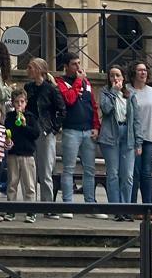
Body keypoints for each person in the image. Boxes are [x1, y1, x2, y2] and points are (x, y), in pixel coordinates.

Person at [54, 52, 98, 217]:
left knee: (89, 169)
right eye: (74, 64)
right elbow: (69, 99)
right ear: (66, 66)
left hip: (88, 130)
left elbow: (92, 104)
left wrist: (96, 126)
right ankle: (68, 205)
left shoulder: (86, 83)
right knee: (69, 169)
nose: (79, 67)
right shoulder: (60, 82)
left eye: (79, 63)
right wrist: (79, 81)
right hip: (71, 130)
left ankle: (90, 205)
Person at [96, 65, 139, 218]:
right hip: (110, 136)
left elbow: (136, 119)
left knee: (127, 175)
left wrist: (138, 142)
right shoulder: (105, 92)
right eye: (112, 75)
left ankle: (126, 208)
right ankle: (116, 209)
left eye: (118, 75)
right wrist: (114, 92)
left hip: (127, 135)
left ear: (123, 77)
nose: (115, 78)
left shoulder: (130, 94)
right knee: (113, 173)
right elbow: (106, 109)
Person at [24, 58, 64, 205]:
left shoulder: (51, 89)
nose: (28, 71)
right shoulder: (29, 87)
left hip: (45, 129)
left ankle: (47, 204)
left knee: (46, 169)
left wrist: (54, 127)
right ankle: (31, 203)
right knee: (31, 168)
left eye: (30, 68)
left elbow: (61, 109)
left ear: (39, 70)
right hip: (31, 128)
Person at [128, 62, 152, 207]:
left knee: (146, 172)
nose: (143, 73)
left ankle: (147, 205)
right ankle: (131, 206)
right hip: (131, 139)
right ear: (133, 73)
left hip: (149, 138)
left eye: (145, 70)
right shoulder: (127, 90)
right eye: (139, 70)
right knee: (134, 172)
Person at [6, 88, 39, 222]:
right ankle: (11, 210)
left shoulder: (31, 117)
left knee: (29, 185)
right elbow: (8, 131)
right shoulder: (9, 117)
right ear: (13, 104)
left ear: (26, 103)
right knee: (12, 183)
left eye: (22, 102)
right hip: (14, 154)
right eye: (17, 102)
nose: (19, 104)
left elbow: (35, 134)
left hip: (27, 155)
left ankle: (30, 211)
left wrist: (25, 125)